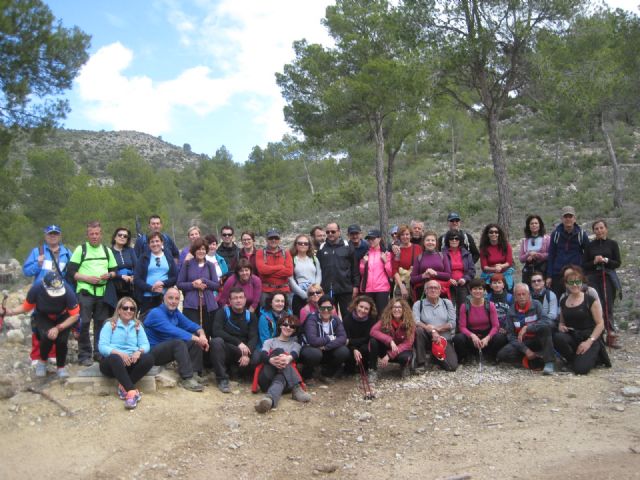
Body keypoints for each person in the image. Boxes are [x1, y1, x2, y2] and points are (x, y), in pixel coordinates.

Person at [1, 271, 79, 378]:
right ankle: (42, 362)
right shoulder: (37, 288)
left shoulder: (68, 291)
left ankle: (61, 367)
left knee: (62, 340)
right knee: (47, 336)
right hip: (43, 315)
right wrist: (10, 312)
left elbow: (75, 315)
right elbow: (26, 307)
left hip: (63, 316)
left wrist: (58, 328)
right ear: (45, 286)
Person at [67, 220, 118, 366]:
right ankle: (84, 355)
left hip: (102, 293)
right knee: (84, 323)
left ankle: (99, 353)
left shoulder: (106, 251)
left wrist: (109, 275)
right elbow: (71, 271)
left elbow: (114, 270)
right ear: (87, 235)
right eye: (91, 234)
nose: (94, 236)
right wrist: (87, 278)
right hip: (85, 292)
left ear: (101, 234)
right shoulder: (81, 250)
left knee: (101, 324)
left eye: (97, 234)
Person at [23, 224, 72, 366]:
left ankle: (52, 354)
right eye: (50, 234)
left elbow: (71, 274)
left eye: (55, 234)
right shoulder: (37, 252)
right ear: (45, 236)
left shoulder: (67, 253)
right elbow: (26, 271)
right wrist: (38, 264)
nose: (53, 236)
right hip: (41, 294)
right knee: (37, 324)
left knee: (58, 323)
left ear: (60, 236)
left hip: (60, 294)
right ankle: (36, 355)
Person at [144, 287, 209, 392]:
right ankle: (187, 378)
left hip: (167, 349)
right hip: (153, 353)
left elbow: (191, 325)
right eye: (170, 298)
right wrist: (197, 338)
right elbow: (173, 330)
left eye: (176, 298)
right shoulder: (156, 313)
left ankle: (194, 373)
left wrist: (202, 335)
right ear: (164, 298)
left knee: (193, 341)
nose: (173, 301)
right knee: (179, 342)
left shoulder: (175, 312)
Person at [98, 297, 154, 409]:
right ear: (119, 310)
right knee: (115, 358)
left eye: (132, 309)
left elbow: (145, 345)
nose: (129, 311)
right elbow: (102, 346)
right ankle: (131, 391)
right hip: (112, 363)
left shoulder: (137, 326)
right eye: (125, 308)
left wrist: (139, 351)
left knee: (149, 358)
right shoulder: (110, 324)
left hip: (130, 361)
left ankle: (124, 386)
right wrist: (120, 354)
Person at [553, 268, 610, 375]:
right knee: (557, 337)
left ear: (582, 282)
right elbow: (561, 321)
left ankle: (594, 357)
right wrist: (561, 325)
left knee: (580, 370)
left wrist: (589, 342)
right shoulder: (563, 300)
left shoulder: (590, 300)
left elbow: (600, 324)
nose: (575, 285)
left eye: (577, 281)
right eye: (571, 282)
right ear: (566, 284)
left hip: (589, 337)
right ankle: (573, 360)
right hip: (573, 336)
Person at [254, 314, 311, 413]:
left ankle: (269, 400)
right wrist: (270, 360)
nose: (288, 327)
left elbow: (293, 355)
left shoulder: (296, 345)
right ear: (280, 326)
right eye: (285, 324)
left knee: (280, 377)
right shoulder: (269, 342)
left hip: (285, 383)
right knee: (278, 351)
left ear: (294, 330)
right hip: (267, 377)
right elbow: (263, 355)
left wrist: (288, 358)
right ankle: (296, 388)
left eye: (292, 326)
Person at [496, 283, 555, 375]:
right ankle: (532, 358)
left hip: (538, 339)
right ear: (515, 296)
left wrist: (527, 328)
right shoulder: (511, 311)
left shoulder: (536, 304)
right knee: (502, 355)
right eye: (518, 295)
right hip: (523, 341)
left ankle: (549, 362)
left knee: (545, 329)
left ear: (528, 294)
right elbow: (510, 335)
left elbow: (547, 321)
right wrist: (525, 350)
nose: (521, 297)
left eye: (524, 294)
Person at [210, 287, 259, 393]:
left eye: (241, 297)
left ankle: (238, 372)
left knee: (257, 358)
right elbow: (216, 331)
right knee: (216, 342)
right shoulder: (222, 313)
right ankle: (222, 379)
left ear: (245, 300)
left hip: (244, 350)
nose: (238, 300)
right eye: (235, 298)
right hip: (227, 348)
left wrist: (247, 354)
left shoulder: (251, 316)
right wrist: (238, 343)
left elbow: (254, 337)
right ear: (230, 301)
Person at [583, 220, 622, 348]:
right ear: (593, 231)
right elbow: (584, 264)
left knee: (608, 304)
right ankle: (598, 335)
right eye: (596, 228)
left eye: (601, 228)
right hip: (593, 276)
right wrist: (594, 262)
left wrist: (606, 260)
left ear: (606, 229)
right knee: (595, 304)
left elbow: (617, 263)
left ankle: (611, 335)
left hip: (608, 275)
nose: (599, 231)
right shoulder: (589, 246)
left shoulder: (613, 244)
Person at [453, 278, 507, 363]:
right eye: (474, 289)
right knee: (458, 338)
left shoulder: (490, 305)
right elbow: (462, 327)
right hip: (472, 337)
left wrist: (487, 338)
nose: (477, 291)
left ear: (484, 291)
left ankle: (491, 356)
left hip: (486, 336)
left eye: (480, 288)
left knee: (500, 338)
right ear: (470, 291)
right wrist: (472, 336)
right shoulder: (465, 306)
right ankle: (466, 356)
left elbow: (495, 326)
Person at [300, 295, 349, 382]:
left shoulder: (336, 319)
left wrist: (326, 347)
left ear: (333, 308)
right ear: (318, 308)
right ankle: (307, 375)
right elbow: (313, 340)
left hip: (326, 349)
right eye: (323, 308)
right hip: (310, 348)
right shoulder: (312, 318)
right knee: (315, 354)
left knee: (343, 351)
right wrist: (330, 338)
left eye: (329, 308)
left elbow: (343, 338)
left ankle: (327, 373)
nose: (326, 310)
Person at [176, 237, 219, 336]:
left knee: (208, 333)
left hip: (209, 306)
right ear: (194, 251)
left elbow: (216, 285)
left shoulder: (210, 265)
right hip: (191, 306)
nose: (201, 251)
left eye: (203, 249)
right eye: (198, 249)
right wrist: (193, 285)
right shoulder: (187, 264)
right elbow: (179, 284)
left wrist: (204, 280)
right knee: (195, 334)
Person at [412, 280, 458, 372]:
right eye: (430, 288)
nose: (433, 290)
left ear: (440, 291)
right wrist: (432, 331)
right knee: (419, 330)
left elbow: (452, 323)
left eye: (436, 288)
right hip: (426, 339)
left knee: (452, 367)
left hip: (443, 340)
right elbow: (416, 321)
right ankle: (421, 363)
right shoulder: (418, 304)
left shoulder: (447, 303)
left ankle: (434, 357)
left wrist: (436, 329)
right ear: (425, 291)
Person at [317, 222, 360, 318]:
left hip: (346, 288)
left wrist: (356, 286)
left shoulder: (348, 246)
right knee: (329, 316)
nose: (330, 234)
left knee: (348, 316)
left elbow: (354, 268)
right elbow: (318, 269)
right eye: (328, 232)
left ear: (339, 232)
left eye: (333, 231)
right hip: (328, 289)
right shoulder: (322, 248)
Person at [546, 206, 590, 298]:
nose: (568, 219)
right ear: (562, 219)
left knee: (576, 299)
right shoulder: (556, 234)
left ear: (574, 218)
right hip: (558, 273)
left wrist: (584, 272)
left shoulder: (581, 234)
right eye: (565, 216)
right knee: (559, 300)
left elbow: (588, 253)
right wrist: (549, 275)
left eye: (570, 216)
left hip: (575, 274)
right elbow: (551, 255)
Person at [369, 299, 415, 381]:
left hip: (400, 352)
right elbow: (373, 331)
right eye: (394, 307)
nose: (397, 309)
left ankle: (404, 367)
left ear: (404, 309)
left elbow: (408, 344)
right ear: (390, 309)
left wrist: (389, 355)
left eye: (399, 307)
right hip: (386, 348)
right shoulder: (385, 320)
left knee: (405, 357)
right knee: (373, 341)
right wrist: (390, 340)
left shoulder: (410, 323)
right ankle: (372, 370)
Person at [134, 232, 178, 315]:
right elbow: (137, 279)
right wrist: (151, 288)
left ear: (162, 242)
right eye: (152, 242)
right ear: (148, 244)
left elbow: (175, 277)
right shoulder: (143, 258)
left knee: (165, 320)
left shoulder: (168, 256)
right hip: (147, 297)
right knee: (147, 320)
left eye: (157, 241)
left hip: (165, 296)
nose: (155, 244)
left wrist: (163, 283)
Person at [441, 230, 476, 316]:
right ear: (448, 240)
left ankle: (461, 325)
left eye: (456, 238)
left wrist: (465, 279)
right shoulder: (442, 254)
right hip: (447, 285)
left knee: (463, 309)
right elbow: (440, 270)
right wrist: (448, 279)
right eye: (451, 238)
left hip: (462, 284)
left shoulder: (467, 254)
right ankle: (450, 325)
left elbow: (472, 270)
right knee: (449, 309)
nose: (454, 240)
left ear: (460, 240)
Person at [256, 228, 294, 304]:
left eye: (276, 238)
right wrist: (280, 267)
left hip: (284, 290)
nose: (273, 240)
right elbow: (262, 270)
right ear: (266, 239)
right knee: (265, 311)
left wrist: (268, 272)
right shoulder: (260, 253)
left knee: (287, 312)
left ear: (279, 240)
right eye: (271, 238)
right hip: (266, 291)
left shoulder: (286, 253)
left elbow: (289, 272)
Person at [359, 229, 392, 315]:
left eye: (373, 238)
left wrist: (386, 261)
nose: (371, 241)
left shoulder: (386, 253)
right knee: (369, 314)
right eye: (369, 239)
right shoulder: (366, 254)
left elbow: (390, 273)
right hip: (368, 288)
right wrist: (363, 263)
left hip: (382, 289)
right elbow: (362, 273)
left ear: (379, 239)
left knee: (382, 314)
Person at [410, 230, 451, 300]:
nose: (430, 242)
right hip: (423, 292)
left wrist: (435, 273)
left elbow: (448, 275)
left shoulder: (443, 256)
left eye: (433, 240)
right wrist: (423, 276)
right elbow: (413, 279)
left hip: (441, 292)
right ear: (424, 242)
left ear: (436, 242)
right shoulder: (419, 258)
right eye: (428, 240)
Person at [342, 295, 377, 375]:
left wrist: (351, 341)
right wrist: (354, 349)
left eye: (366, 309)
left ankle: (369, 367)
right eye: (361, 307)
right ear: (356, 305)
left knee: (369, 345)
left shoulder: (371, 320)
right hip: (350, 347)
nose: (362, 310)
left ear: (370, 310)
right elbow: (345, 338)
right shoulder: (347, 319)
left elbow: (367, 338)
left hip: (363, 347)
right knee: (349, 371)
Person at [288, 234, 322, 316]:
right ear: (296, 245)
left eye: (306, 243)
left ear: (309, 246)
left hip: (314, 293)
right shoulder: (291, 259)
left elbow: (319, 274)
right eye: (300, 243)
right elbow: (290, 279)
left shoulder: (314, 259)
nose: (303, 245)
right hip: (298, 294)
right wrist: (303, 294)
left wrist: (315, 289)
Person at [390, 224, 422, 301]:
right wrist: (401, 286)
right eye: (402, 235)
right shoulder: (397, 250)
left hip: (416, 283)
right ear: (399, 237)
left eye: (407, 234)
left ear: (410, 235)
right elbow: (394, 270)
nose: (405, 237)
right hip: (402, 283)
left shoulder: (418, 248)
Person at [479, 223, 515, 291]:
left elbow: (509, 262)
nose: (494, 234)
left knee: (508, 292)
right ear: (487, 234)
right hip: (490, 276)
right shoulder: (483, 248)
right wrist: (495, 269)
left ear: (499, 234)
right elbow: (484, 267)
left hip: (505, 274)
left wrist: (501, 266)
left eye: (496, 232)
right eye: (491, 232)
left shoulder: (506, 245)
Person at [518, 215, 550, 286]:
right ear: (528, 226)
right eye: (532, 223)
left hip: (543, 270)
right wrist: (528, 254)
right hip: (529, 271)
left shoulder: (546, 238)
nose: (534, 225)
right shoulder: (525, 241)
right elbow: (521, 258)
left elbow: (550, 254)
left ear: (540, 225)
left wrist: (536, 255)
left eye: (536, 223)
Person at [110, 227, 137, 301]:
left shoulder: (130, 250)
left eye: (125, 236)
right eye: (120, 235)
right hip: (115, 286)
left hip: (130, 285)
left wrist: (134, 276)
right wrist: (121, 276)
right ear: (115, 237)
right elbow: (108, 270)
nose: (122, 237)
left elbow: (136, 266)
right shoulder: (109, 251)